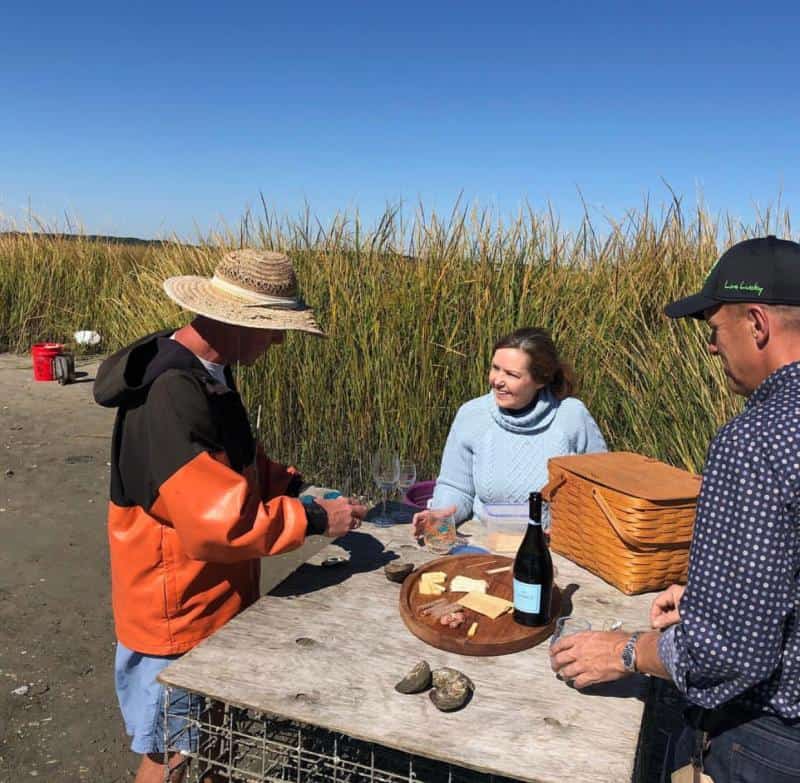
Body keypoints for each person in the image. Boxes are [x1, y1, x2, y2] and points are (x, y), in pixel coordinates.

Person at [94, 249, 366, 783]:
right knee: (170, 753)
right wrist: (312, 520)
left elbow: (234, 466)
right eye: (273, 329)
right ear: (234, 322)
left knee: (218, 736)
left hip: (213, 598)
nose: (280, 341)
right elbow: (216, 522)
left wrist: (293, 486)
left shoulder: (209, 372)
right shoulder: (172, 391)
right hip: (177, 607)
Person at [549, 235, 800, 782]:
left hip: (770, 742)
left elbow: (732, 655)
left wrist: (625, 652)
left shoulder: (756, 439)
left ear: (756, 323)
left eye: (715, 329)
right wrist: (717, 597)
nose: (712, 347)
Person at [412, 327, 607, 535]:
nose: (497, 381)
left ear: (540, 380)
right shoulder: (471, 415)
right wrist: (441, 516)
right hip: (485, 543)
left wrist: (571, 526)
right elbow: (456, 487)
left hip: (555, 546)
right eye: (495, 368)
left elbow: (603, 489)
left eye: (512, 374)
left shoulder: (572, 416)